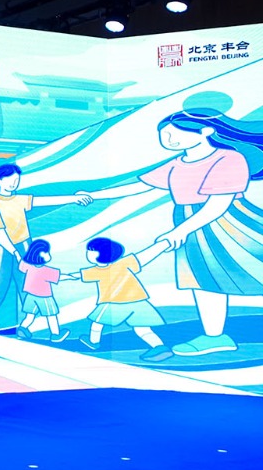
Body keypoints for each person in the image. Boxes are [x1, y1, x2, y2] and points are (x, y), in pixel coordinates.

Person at [76, 108, 263, 356]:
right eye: (164, 134)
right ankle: (215, 336)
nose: (168, 139)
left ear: (206, 131)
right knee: (203, 281)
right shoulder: (178, 163)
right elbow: (140, 186)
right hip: (189, 224)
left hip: (229, 223)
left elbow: (218, 204)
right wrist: (93, 196)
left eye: (175, 133)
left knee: (251, 268)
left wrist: (180, 231)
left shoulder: (229, 158)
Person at [0, 163, 88, 323]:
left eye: (16, 180)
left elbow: (43, 201)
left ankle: (30, 307)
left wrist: (74, 199)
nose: (13, 183)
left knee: (28, 275)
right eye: (9, 179)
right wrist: (15, 252)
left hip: (23, 242)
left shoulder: (18, 199)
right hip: (2, 246)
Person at [66, 237, 172, 362]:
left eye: (91, 250)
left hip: (114, 303)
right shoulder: (124, 262)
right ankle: (159, 347)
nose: (88, 253)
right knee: (142, 328)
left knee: (97, 323)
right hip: (139, 301)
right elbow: (145, 256)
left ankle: (93, 342)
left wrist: (60, 277)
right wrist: (164, 244)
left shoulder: (96, 271)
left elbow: (75, 276)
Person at [15, 238, 69, 343]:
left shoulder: (28, 266)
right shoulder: (46, 270)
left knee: (30, 315)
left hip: (30, 296)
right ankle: (55, 334)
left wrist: (17, 255)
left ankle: (22, 328)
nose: (48, 254)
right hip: (44, 297)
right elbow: (60, 277)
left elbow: (21, 265)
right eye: (47, 252)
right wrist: (72, 276)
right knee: (51, 316)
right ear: (40, 255)